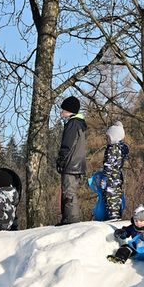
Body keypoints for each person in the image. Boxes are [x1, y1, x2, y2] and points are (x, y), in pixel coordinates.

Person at [56, 96, 87, 224]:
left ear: (69, 111)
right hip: (78, 164)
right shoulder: (80, 124)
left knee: (69, 193)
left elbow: (67, 145)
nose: (61, 112)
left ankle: (71, 220)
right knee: (69, 191)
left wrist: (61, 160)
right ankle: (67, 218)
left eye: (63, 110)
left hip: (71, 164)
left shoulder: (73, 124)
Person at [101, 121, 129, 220]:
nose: (107, 140)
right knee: (116, 197)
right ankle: (116, 214)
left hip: (111, 178)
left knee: (111, 197)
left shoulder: (112, 149)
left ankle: (113, 217)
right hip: (117, 177)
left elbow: (109, 164)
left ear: (114, 137)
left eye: (109, 137)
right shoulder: (121, 148)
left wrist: (105, 177)